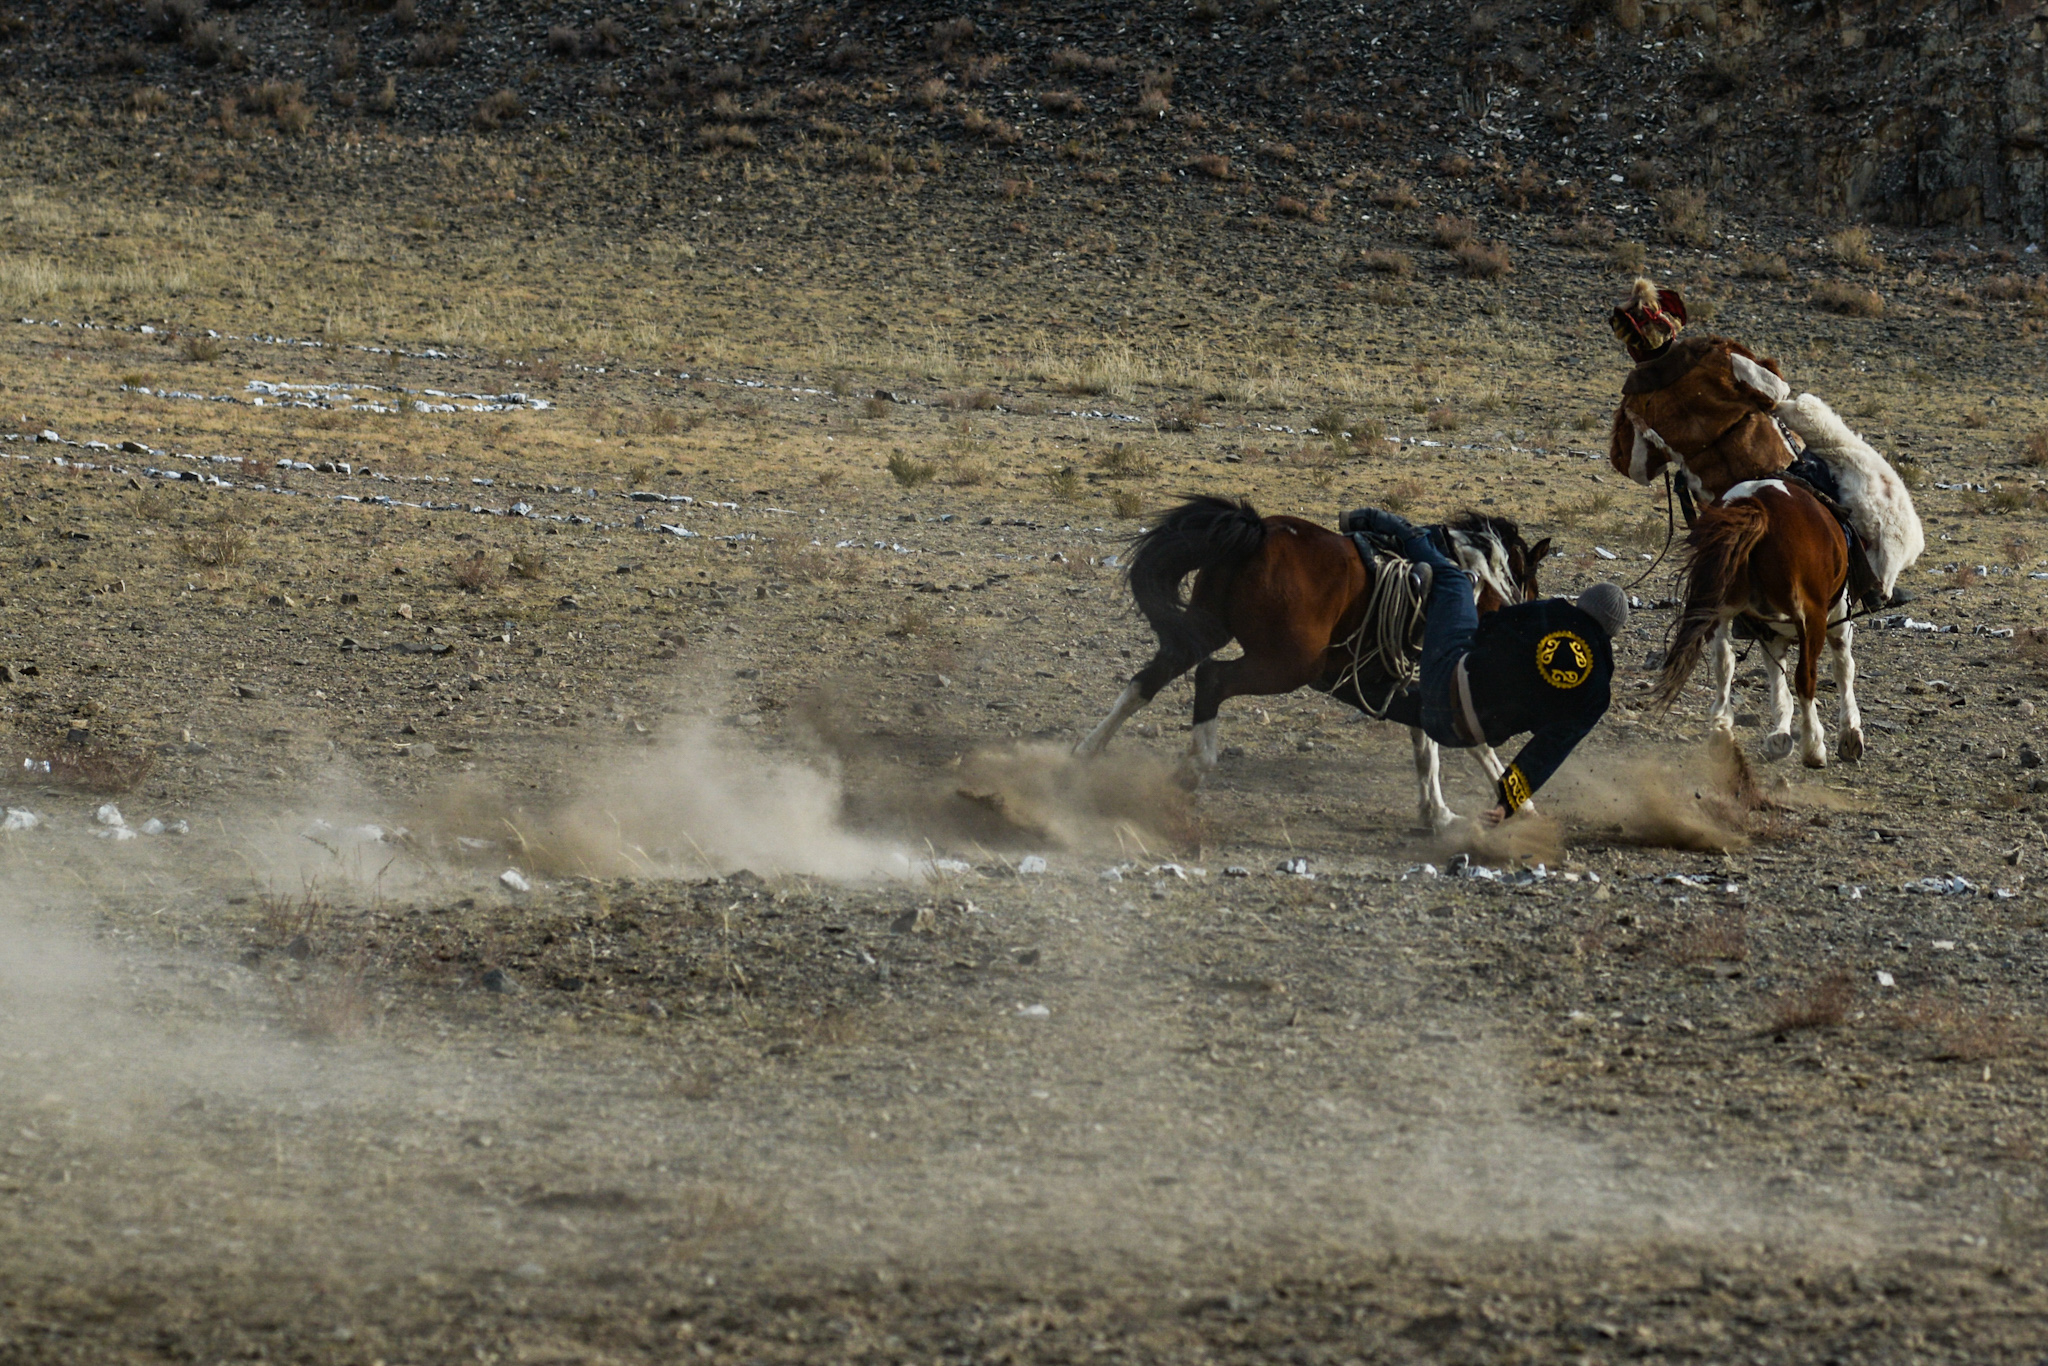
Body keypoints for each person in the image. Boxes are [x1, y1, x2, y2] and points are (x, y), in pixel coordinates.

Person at [1350, 508, 1622, 825]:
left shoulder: (1555, 613)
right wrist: (1507, 803)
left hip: (1443, 686)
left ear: (1585, 602)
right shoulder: (1597, 694)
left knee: (1453, 580)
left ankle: (1387, 524)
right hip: (1463, 734)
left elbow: (1493, 624)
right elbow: (1547, 752)